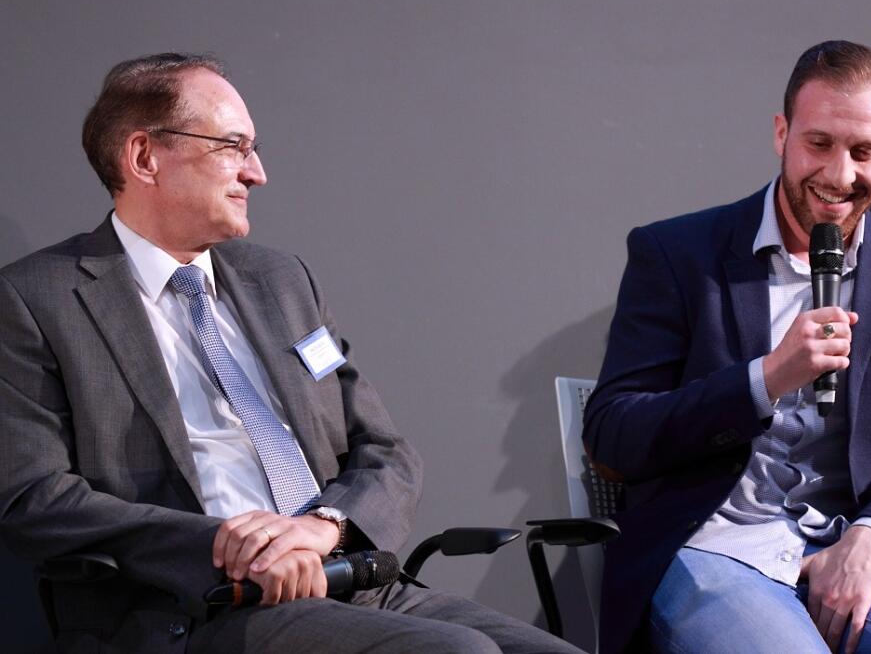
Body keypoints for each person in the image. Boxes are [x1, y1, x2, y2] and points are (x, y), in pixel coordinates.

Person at [0, 53, 582, 654]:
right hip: (202, 605)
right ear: (145, 156)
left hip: (352, 581)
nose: (257, 173)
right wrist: (232, 545)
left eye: (253, 149)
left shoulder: (282, 281)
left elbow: (385, 449)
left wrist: (324, 527)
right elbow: (34, 497)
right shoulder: (35, 299)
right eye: (233, 146)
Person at [583, 40, 871, 653]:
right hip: (713, 545)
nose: (839, 175)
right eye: (819, 143)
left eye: (864, 151)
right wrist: (766, 378)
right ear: (782, 133)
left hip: (853, 545)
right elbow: (611, 435)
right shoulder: (678, 254)